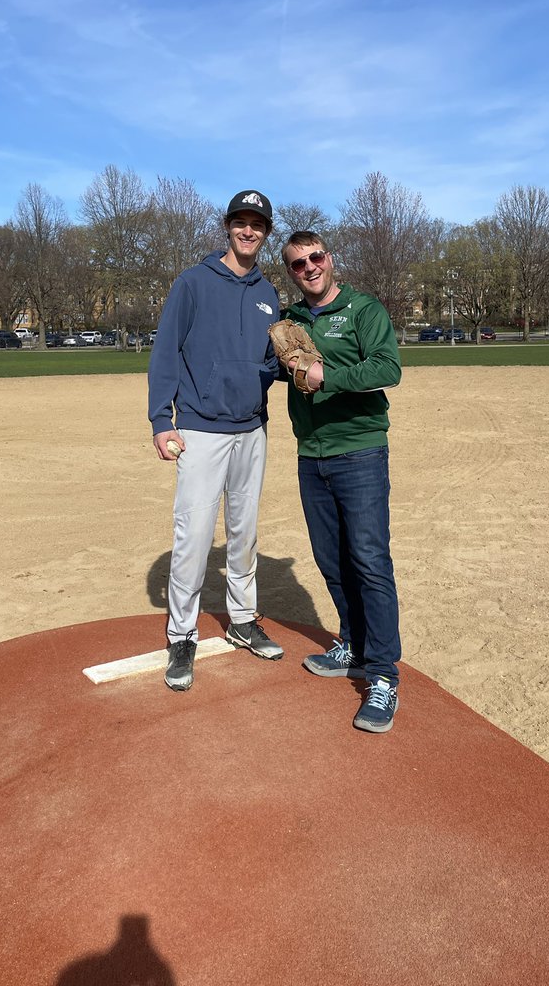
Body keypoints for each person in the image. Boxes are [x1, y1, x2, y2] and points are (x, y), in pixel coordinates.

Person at [148, 191, 284, 691]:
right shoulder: (193, 283)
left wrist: (289, 367)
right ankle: (182, 634)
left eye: (258, 224)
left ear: (266, 232)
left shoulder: (269, 291)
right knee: (194, 536)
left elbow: (269, 365)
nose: (249, 231)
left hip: (252, 428)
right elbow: (165, 352)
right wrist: (162, 420)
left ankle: (243, 619)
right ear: (227, 227)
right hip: (202, 429)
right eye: (241, 222)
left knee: (244, 532)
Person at [280, 230, 403, 732]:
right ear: (289, 272)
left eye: (315, 257)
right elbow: (282, 371)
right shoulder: (291, 321)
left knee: (369, 561)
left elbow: (387, 368)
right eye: (296, 263)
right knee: (331, 560)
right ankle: (352, 643)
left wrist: (323, 374)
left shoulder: (363, 309)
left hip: (359, 452)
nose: (308, 267)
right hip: (312, 455)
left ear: (329, 259)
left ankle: (382, 673)